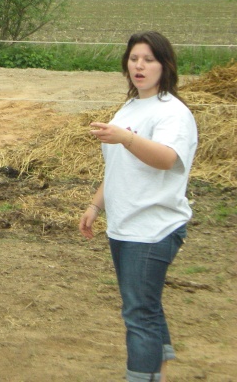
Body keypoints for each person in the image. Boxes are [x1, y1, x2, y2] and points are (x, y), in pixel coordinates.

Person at [79, 31, 197, 382]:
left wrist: (126, 137)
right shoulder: (130, 107)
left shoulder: (173, 113)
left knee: (138, 313)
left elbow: (167, 159)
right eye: (134, 59)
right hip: (125, 225)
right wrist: (95, 205)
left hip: (152, 228)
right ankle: (157, 369)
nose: (139, 66)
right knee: (146, 305)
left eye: (149, 59)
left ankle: (142, 375)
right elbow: (120, 167)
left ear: (165, 65)